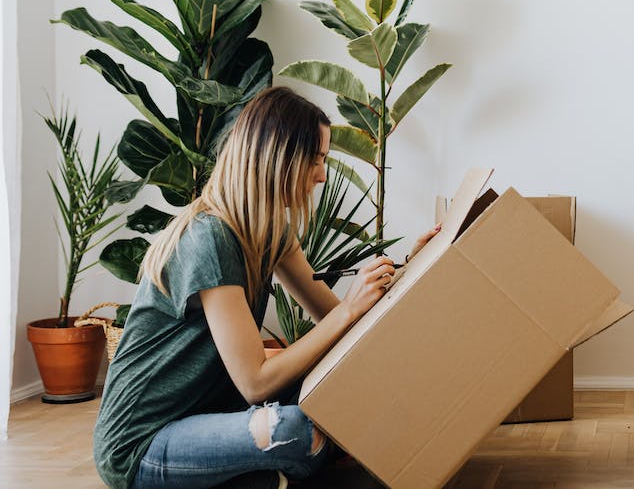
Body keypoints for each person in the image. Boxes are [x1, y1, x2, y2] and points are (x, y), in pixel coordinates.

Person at [93, 87, 439, 489]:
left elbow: (344, 325)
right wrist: (348, 309)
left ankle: (258, 468)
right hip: (141, 445)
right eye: (316, 159)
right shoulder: (210, 237)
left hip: (208, 414)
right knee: (293, 428)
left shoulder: (269, 232)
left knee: (338, 391)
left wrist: (410, 267)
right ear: (279, 159)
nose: (322, 174)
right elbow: (255, 382)